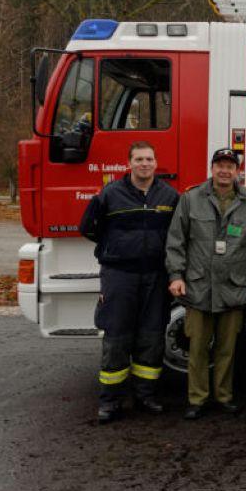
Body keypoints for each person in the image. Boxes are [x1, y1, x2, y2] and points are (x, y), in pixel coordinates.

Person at [165, 148, 246, 419]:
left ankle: (224, 396)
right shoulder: (191, 199)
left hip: (232, 288)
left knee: (227, 349)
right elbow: (176, 241)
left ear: (237, 171)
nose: (224, 171)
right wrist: (176, 276)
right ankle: (197, 399)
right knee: (197, 348)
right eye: (220, 165)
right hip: (198, 286)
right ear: (212, 168)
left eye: (230, 166)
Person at [79, 141, 179, 423]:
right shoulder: (110, 194)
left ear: (155, 163)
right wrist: (114, 247)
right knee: (117, 337)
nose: (144, 164)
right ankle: (110, 401)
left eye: (149, 159)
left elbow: (178, 234)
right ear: (129, 163)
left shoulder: (170, 196)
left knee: (152, 337)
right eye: (138, 159)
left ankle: (145, 396)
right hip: (119, 275)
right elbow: (88, 227)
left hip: (155, 275)